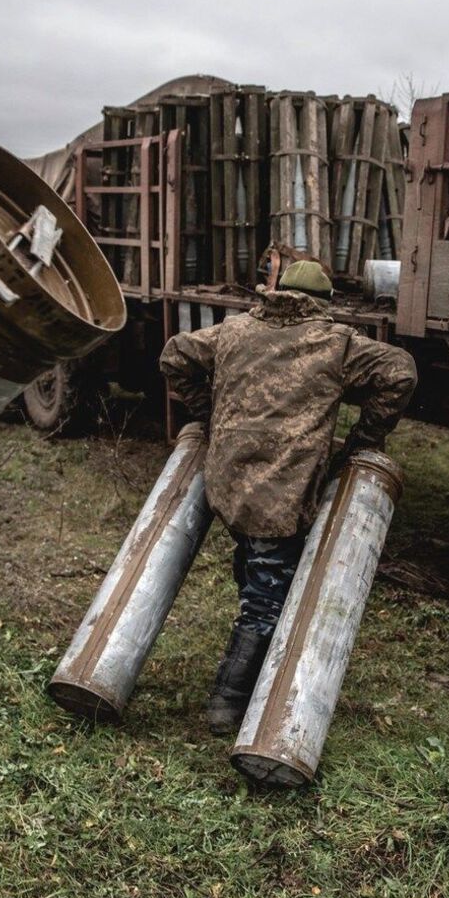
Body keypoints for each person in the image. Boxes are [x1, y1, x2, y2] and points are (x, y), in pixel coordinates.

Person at [160, 260, 417, 734]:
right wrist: (364, 439)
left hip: (228, 485)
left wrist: (209, 414)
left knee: (258, 568)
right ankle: (227, 703)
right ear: (323, 303)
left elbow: (174, 355)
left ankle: (253, 666)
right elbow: (400, 372)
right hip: (284, 491)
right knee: (266, 599)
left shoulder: (234, 330)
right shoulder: (335, 342)